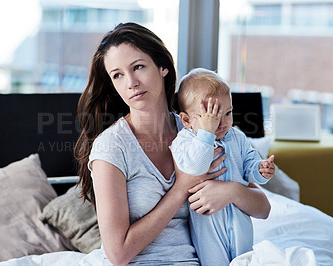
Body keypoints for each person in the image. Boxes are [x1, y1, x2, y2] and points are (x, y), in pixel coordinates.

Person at [74, 22, 271, 265]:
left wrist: (232, 191)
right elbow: (118, 253)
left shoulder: (200, 131)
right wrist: (181, 189)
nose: (131, 82)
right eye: (118, 75)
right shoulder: (112, 147)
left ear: (163, 67)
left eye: (138, 67)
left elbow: (263, 208)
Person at [171, 68, 275, 265]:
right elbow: (196, 167)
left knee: (243, 258)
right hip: (208, 224)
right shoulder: (185, 141)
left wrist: (261, 171)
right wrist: (206, 134)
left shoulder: (237, 137)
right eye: (212, 117)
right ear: (186, 120)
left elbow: (249, 166)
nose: (222, 123)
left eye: (227, 113)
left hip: (239, 216)